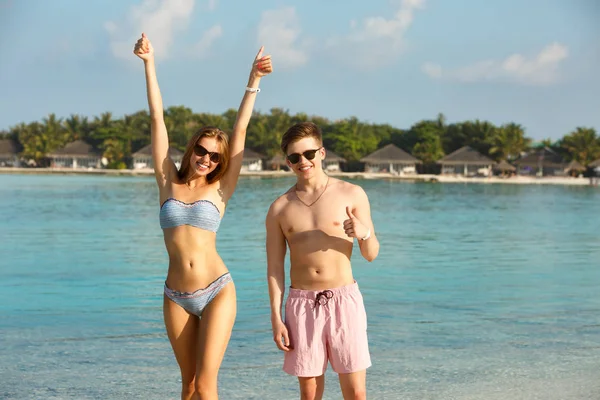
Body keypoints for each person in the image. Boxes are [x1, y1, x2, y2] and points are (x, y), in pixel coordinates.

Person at [133, 33, 272, 400]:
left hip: (216, 292)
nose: (206, 158)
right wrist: (149, 64)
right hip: (175, 293)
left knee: (207, 385)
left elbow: (240, 129)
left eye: (214, 156)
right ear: (192, 148)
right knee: (188, 384)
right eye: (201, 150)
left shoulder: (221, 190)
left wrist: (253, 82)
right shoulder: (167, 182)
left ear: (221, 163)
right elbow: (157, 118)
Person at [265, 122, 380, 400]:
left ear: (322, 152)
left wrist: (363, 233)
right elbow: (275, 269)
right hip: (301, 304)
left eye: (309, 154)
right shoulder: (280, 208)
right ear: (287, 161)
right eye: (294, 157)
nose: (303, 161)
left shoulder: (351, 194)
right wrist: (276, 317)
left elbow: (371, 254)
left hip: (344, 301)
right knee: (310, 394)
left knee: (355, 393)